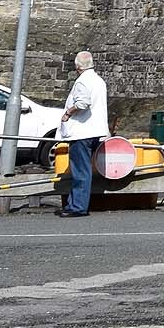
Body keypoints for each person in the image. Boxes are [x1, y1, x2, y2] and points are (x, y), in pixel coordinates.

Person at [58, 50, 110, 218]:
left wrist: (68, 112)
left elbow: (83, 103)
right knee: (85, 169)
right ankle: (74, 203)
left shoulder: (82, 81)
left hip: (82, 132)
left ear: (77, 66)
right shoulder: (98, 80)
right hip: (97, 130)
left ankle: (78, 206)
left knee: (80, 170)